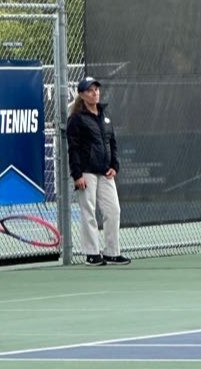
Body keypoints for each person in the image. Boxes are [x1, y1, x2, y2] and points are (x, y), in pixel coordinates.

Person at [66, 76, 131, 267]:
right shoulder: (76, 119)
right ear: (82, 95)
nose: (95, 93)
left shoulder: (105, 116)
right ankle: (92, 253)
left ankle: (111, 252)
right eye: (90, 90)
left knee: (113, 210)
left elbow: (112, 143)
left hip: (105, 172)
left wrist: (114, 166)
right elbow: (73, 148)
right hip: (86, 172)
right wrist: (77, 174)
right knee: (89, 212)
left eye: (96, 89)